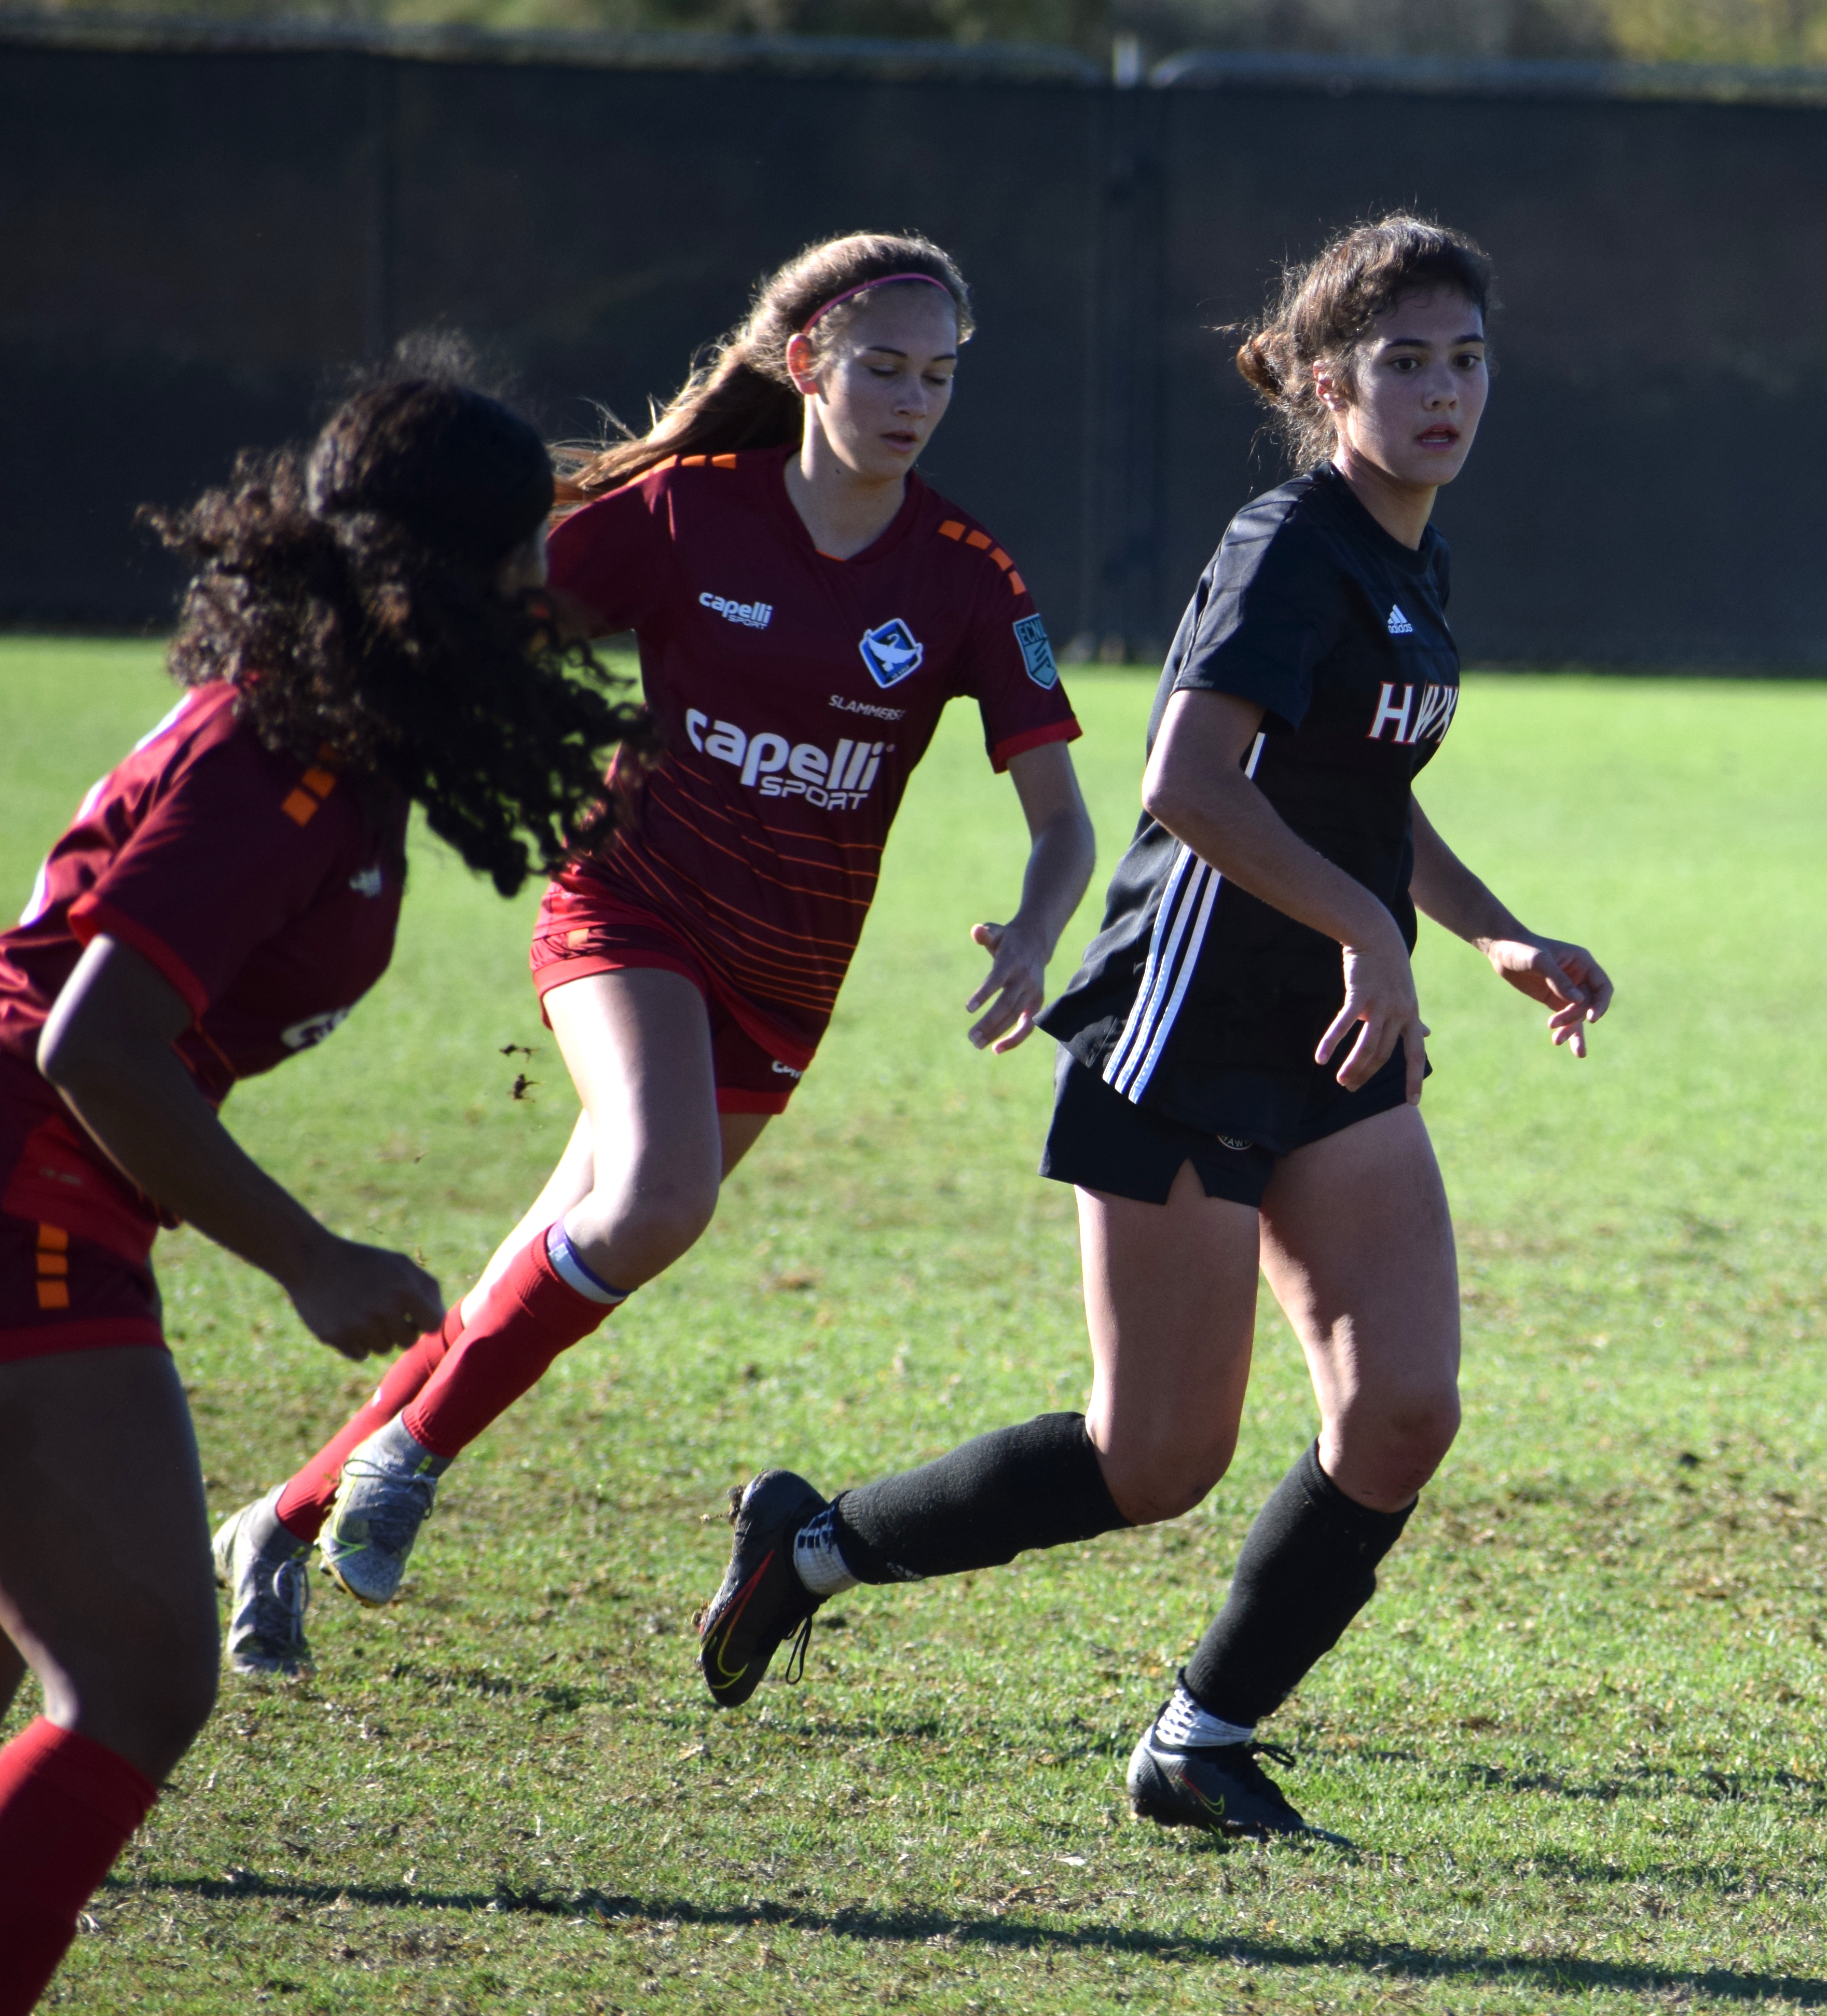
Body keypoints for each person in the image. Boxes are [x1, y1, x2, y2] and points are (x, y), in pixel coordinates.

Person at [695, 215, 1615, 1839]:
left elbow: (1361, 790)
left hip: (1333, 1024)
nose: (1444, 392)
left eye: (1467, 360)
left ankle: (1200, 1738)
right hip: (1186, 1023)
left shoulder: (1409, 557)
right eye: (1405, 362)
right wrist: (1361, 934)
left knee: (1404, 1409)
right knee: (1155, 1459)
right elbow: (1184, 787)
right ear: (1330, 383)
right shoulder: (1292, 539)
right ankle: (813, 1545)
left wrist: (1488, 933)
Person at [216, 232, 1094, 1663]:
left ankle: (283, 1520)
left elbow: (1064, 822)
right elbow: (480, 627)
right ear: (805, 363)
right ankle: (412, 1464)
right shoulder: (688, 513)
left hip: (784, 982)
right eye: (883, 365)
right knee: (659, 1197)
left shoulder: (965, 575)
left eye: (938, 375)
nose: (913, 397)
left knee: (556, 1268)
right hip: (626, 911)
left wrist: (1038, 930)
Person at [0, 372, 640, 2014]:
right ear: (434, 571)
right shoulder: (283, 747)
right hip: (29, 1186)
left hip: (48, 1180)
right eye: (519, 557)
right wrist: (309, 1257)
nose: (539, 591)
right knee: (139, 1674)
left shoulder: (318, 729)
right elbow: (99, 1045)